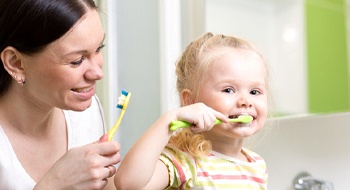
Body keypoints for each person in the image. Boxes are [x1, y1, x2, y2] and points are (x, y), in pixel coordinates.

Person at [115, 32, 269, 189]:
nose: (246, 102)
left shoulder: (257, 166)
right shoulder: (184, 161)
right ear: (190, 101)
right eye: (228, 90)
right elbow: (127, 185)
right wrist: (169, 119)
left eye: (255, 92)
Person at [0, 0, 121, 189]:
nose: (98, 74)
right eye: (77, 60)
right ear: (16, 63)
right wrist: (54, 183)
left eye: (98, 49)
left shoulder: (86, 115)